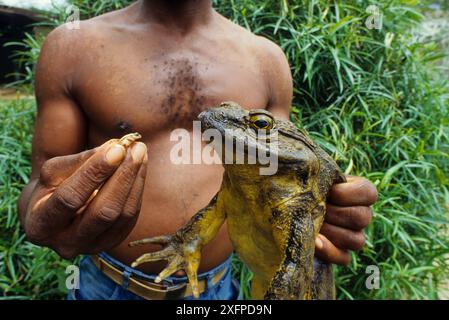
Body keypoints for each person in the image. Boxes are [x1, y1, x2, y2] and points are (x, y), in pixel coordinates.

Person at [17, 0, 378, 300]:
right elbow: (41, 183)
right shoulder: (72, 45)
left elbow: (282, 171)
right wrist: (44, 214)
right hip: (106, 285)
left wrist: (325, 208)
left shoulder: (267, 59)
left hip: (217, 291)